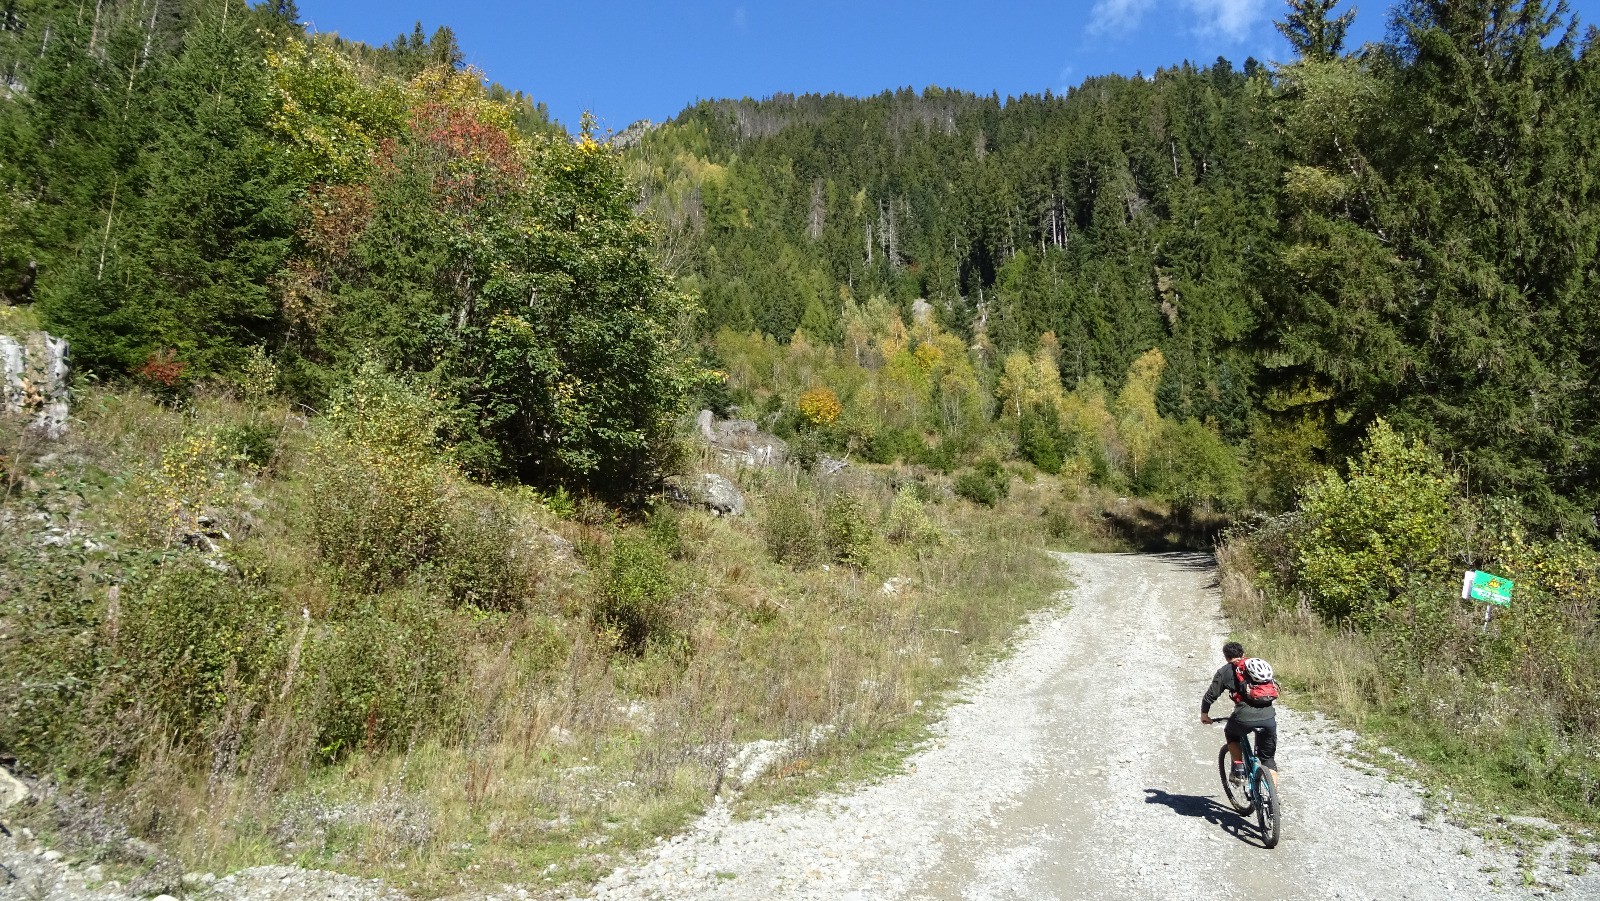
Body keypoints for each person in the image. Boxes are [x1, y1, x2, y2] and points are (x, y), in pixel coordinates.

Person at [1200, 641, 1277, 784]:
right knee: (1268, 760)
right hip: (1269, 717)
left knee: (1231, 732)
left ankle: (1239, 768)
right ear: (1243, 654)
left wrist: (1204, 714)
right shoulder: (1257, 667)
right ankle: (1272, 801)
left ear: (1226, 657)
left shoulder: (1226, 671)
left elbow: (1210, 696)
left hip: (1243, 717)